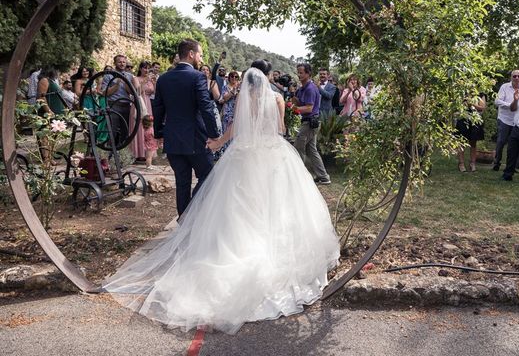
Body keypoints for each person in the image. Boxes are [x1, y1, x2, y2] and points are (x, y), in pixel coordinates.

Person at [103, 66, 340, 335]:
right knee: (276, 202)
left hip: (245, 154)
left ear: (248, 84)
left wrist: (217, 143)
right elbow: (280, 128)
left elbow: (236, 127)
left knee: (239, 204)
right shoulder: (276, 99)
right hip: (273, 153)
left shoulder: (244, 99)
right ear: (266, 79)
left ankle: (236, 244)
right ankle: (273, 245)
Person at [152, 39, 221, 216]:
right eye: (200, 54)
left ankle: (183, 222)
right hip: (195, 138)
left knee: (182, 182)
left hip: (172, 138)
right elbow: (206, 108)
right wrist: (214, 135)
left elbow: (158, 108)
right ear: (191, 54)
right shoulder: (197, 77)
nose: (201, 58)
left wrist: (159, 131)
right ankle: (192, 214)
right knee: (208, 176)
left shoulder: (164, 79)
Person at [292, 63, 331, 185]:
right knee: (311, 150)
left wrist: (294, 109)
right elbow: (298, 102)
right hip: (309, 122)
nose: (299, 75)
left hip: (310, 122)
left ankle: (300, 176)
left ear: (308, 74)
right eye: (298, 72)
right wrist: (294, 97)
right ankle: (324, 177)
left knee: (298, 147)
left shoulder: (310, 88)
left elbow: (309, 108)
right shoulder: (302, 88)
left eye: (301, 73)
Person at [493, 69, 519, 171]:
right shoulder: (505, 87)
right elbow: (497, 101)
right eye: (514, 76)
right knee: (501, 142)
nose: (516, 78)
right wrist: (510, 105)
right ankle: (496, 163)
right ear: (511, 77)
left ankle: (513, 166)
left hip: (518, 120)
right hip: (504, 119)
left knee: (516, 144)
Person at [101, 55, 135, 147]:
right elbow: (104, 93)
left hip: (126, 105)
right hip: (113, 105)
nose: (122, 64)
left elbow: (132, 92)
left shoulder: (129, 75)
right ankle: (110, 151)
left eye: (124, 62)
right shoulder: (108, 75)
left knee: (125, 130)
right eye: (119, 62)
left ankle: (122, 152)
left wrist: (126, 83)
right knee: (113, 130)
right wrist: (117, 84)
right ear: (115, 63)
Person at [455, 93, 487, 172]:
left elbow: (482, 108)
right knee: (461, 142)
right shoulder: (462, 91)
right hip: (463, 118)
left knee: (473, 142)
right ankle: (461, 164)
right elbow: (456, 105)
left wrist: (472, 104)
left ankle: (472, 163)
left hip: (475, 120)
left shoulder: (481, 94)